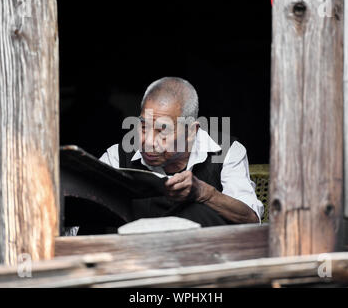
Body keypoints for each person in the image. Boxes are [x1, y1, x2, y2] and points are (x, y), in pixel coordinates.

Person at [100, 77, 263, 227]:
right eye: (143, 127)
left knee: (200, 213)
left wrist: (204, 193)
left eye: (163, 131)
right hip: (133, 254)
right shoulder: (117, 157)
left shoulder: (226, 151)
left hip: (199, 255)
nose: (148, 142)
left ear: (191, 131)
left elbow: (251, 219)